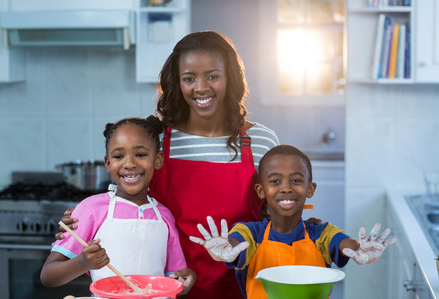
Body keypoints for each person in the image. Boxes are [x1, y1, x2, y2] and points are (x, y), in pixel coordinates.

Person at [56, 30, 290, 298]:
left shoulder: (261, 141)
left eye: (212, 76)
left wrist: (306, 227)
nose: (200, 88)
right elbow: (126, 200)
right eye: (189, 78)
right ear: (178, 83)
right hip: (162, 290)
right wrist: (80, 225)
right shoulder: (157, 139)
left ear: (230, 79)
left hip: (243, 287)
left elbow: (274, 216)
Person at [189, 144, 397, 299]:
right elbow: (235, 245)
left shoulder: (322, 234)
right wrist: (226, 249)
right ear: (261, 191)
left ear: (310, 189)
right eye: (275, 181)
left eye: (296, 180)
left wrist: (360, 248)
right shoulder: (250, 234)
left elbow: (345, 244)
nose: (286, 187)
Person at [41, 116, 195, 297]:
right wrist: (83, 263)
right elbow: (48, 276)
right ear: (108, 163)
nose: (129, 164)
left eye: (140, 154)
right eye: (119, 156)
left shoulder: (164, 216)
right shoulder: (91, 209)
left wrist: (185, 281)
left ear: (158, 159)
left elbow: (173, 279)